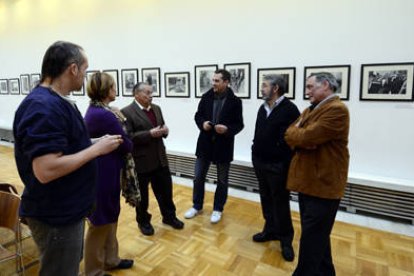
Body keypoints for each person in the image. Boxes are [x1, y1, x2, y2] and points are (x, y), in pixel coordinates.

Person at [13, 41, 122, 276]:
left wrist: (93, 143)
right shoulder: (43, 107)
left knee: (68, 264)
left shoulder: (55, 102)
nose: (85, 76)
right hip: (55, 215)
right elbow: (46, 169)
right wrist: (96, 150)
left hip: (66, 209)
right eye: (84, 69)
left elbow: (65, 148)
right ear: (73, 69)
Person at [285, 72, 350, 275]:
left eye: (310, 87)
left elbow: (306, 137)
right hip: (310, 183)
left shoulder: (337, 110)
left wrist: (301, 136)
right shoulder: (311, 109)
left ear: (326, 86)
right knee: (317, 236)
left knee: (312, 240)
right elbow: (289, 133)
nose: (307, 92)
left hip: (324, 185)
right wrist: (301, 136)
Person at [84, 72, 136, 275]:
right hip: (103, 174)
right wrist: (119, 120)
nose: (116, 90)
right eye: (113, 87)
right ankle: (94, 270)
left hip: (108, 170)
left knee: (110, 216)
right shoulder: (104, 115)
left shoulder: (100, 110)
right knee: (100, 222)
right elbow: (126, 143)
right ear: (105, 90)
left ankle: (111, 259)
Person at [121, 82, 184, 236]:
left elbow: (160, 128)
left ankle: (169, 217)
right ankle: (143, 222)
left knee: (166, 192)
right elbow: (127, 137)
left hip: (160, 159)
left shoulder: (156, 108)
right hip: (141, 161)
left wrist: (165, 131)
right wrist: (149, 134)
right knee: (142, 197)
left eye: (151, 92)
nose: (151, 96)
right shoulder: (126, 112)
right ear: (136, 94)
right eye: (147, 93)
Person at [184, 69, 244, 223]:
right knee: (198, 177)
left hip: (223, 146)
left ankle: (218, 209)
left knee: (222, 180)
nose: (213, 83)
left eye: (217, 81)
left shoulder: (236, 102)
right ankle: (197, 205)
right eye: (213, 80)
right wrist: (202, 123)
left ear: (226, 82)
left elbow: (239, 124)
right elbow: (198, 115)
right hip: (204, 145)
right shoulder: (206, 97)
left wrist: (227, 130)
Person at [251, 74, 300, 262]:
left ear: (276, 88)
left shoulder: (290, 109)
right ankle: (270, 230)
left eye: (264, 86)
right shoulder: (262, 108)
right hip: (260, 162)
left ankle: (285, 239)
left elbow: (293, 140)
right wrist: (255, 152)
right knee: (265, 198)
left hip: (278, 165)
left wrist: (283, 162)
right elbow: (258, 133)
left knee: (280, 202)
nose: (262, 88)